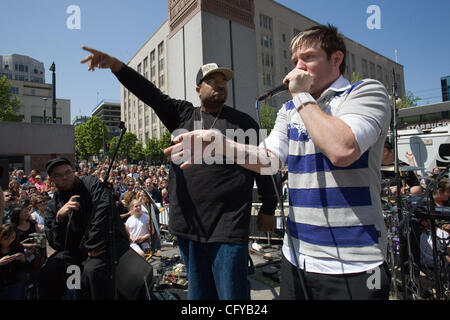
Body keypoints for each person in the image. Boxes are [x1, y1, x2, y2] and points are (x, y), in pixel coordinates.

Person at [165, 25, 392, 300]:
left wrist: (301, 95)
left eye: (308, 58)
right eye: (294, 61)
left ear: (336, 58)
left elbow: (341, 149)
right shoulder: (289, 111)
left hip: (356, 262)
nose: (297, 68)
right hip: (297, 256)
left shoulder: (366, 93)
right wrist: (220, 143)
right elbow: (268, 160)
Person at [81, 46, 278, 300]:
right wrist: (117, 66)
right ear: (198, 90)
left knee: (232, 296)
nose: (219, 85)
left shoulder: (245, 123)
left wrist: (269, 207)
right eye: (211, 81)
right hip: (188, 227)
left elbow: (264, 167)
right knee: (199, 296)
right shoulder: (183, 115)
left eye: (223, 82)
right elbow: (149, 93)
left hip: (228, 227)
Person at [37, 157, 129, 300]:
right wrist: (59, 218)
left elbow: (103, 209)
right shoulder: (53, 205)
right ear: (52, 180)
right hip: (75, 253)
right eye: (59, 175)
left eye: (68, 172)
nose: (65, 177)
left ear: (73, 172)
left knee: (92, 272)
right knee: (51, 270)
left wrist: (92, 245)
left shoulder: (90, 183)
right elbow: (56, 243)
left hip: (101, 246)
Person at [0, 224, 27, 300]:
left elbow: (23, 268)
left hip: (14, 282)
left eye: (12, 238)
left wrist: (23, 260)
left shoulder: (17, 247)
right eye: (5, 239)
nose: (9, 241)